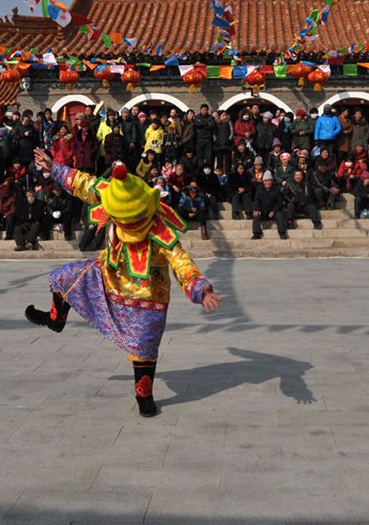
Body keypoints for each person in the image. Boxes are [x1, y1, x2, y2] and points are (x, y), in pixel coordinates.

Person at [25, 151, 221, 418]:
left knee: (144, 344)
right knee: (64, 278)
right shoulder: (109, 192)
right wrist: (54, 167)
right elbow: (83, 183)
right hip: (110, 275)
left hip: (149, 293)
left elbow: (180, 261)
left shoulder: (158, 228)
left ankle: (144, 395)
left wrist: (201, 289)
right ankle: (55, 318)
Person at [251, 171, 287, 240]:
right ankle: (256, 233)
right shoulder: (259, 189)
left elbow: (279, 202)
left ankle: (282, 233)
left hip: (273, 212)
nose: (267, 183)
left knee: (279, 215)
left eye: (269, 181)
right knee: (256, 215)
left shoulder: (276, 190)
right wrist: (257, 209)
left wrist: (273, 211)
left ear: (272, 181)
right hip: (263, 211)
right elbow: (257, 200)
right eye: (266, 181)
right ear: (263, 181)